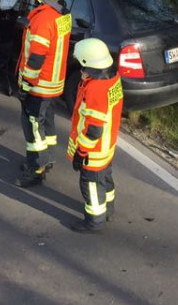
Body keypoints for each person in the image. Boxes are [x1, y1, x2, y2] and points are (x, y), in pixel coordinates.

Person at [14, 0, 72, 188]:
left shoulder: (42, 19)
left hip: (39, 85)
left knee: (33, 127)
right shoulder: (63, 14)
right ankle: (47, 160)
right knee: (46, 121)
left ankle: (36, 168)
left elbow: (37, 57)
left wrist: (26, 85)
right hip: (54, 83)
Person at [66, 38, 123, 232]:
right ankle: (108, 208)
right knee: (105, 178)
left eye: (83, 66)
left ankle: (95, 220)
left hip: (94, 150)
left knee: (90, 183)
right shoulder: (112, 78)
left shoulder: (96, 89)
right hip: (107, 145)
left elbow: (93, 129)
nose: (81, 71)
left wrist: (81, 153)